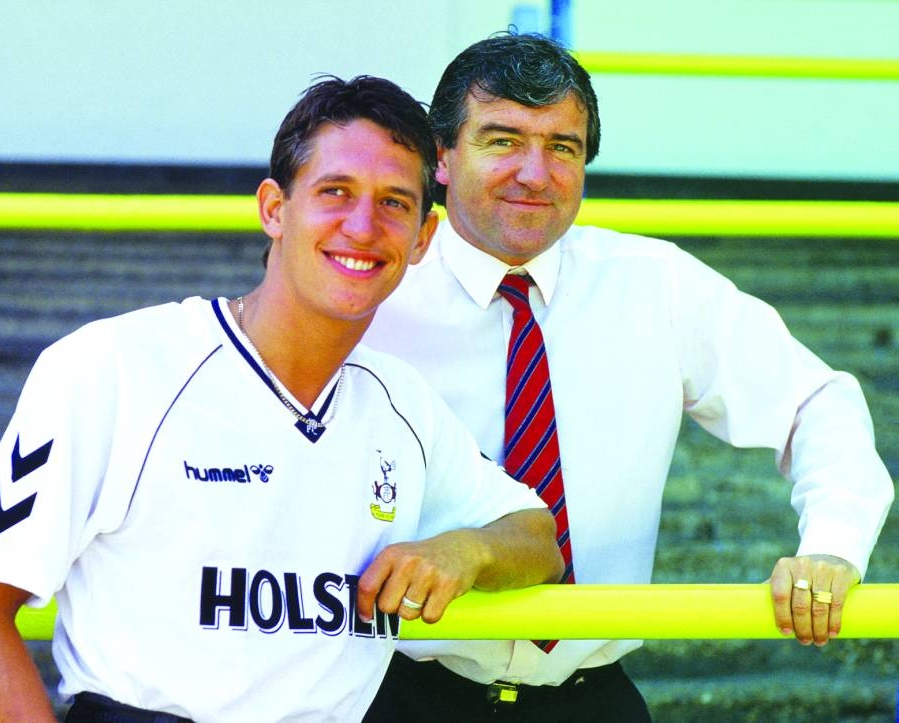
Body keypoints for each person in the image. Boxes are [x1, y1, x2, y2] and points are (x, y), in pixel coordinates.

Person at [0, 75, 564, 722]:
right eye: (335, 192)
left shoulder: (400, 402)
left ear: (423, 239)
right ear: (273, 208)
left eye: (395, 203)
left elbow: (539, 539)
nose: (363, 225)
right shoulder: (113, 366)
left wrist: (464, 550)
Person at [360, 32, 894, 720]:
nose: (534, 172)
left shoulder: (655, 284)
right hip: (402, 694)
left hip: (593, 698)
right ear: (442, 156)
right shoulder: (374, 295)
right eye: (502, 140)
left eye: (562, 147)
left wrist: (831, 547)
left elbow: (818, 400)